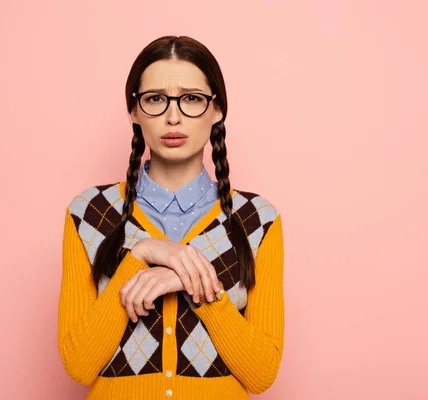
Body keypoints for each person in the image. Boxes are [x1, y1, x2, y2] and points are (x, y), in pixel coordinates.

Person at [58, 35, 284, 400]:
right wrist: (142, 254)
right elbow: (80, 364)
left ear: (217, 109)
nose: (173, 116)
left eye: (192, 99)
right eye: (155, 99)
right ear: (134, 111)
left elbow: (261, 373)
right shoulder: (90, 213)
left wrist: (191, 279)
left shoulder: (257, 220)